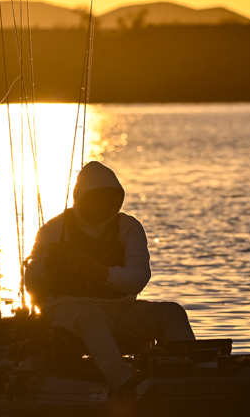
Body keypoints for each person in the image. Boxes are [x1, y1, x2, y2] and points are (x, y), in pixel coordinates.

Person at [25, 161, 195, 390]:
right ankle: (126, 381)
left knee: (172, 313)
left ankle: (195, 372)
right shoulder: (53, 229)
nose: (105, 204)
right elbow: (32, 285)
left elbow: (138, 278)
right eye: (97, 198)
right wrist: (49, 265)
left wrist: (101, 272)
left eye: (111, 198)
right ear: (82, 198)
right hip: (66, 307)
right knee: (92, 317)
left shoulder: (129, 227)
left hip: (121, 308)